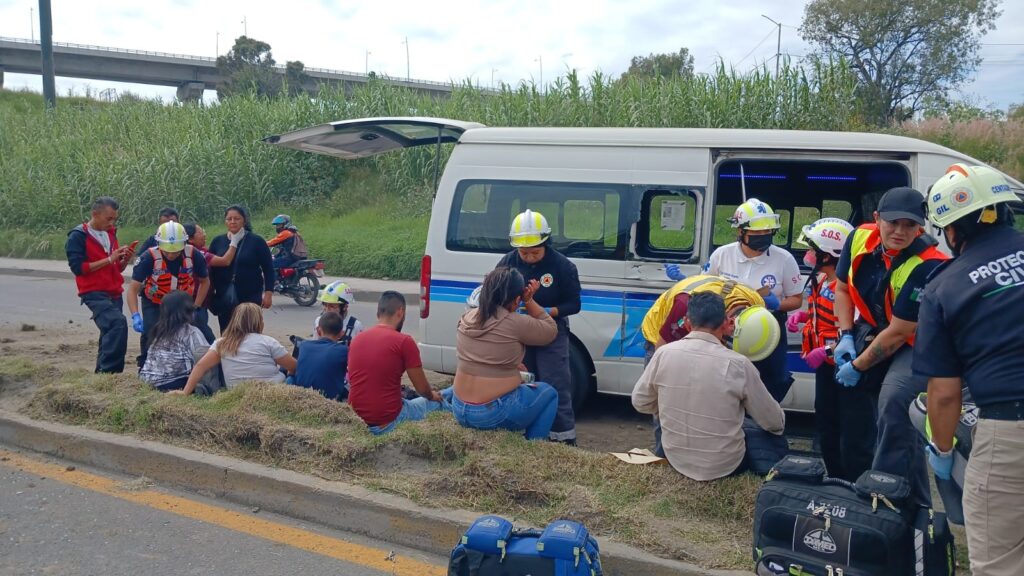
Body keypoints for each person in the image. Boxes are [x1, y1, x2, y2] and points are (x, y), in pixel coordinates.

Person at [914, 164, 1024, 576]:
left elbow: (943, 393)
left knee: (1000, 563)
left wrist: (943, 453)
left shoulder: (945, 286)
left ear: (952, 230)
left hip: (1011, 430)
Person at [833, 186, 948, 507]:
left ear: (921, 227)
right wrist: (845, 334)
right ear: (876, 218)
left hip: (919, 340)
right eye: (893, 222)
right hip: (875, 327)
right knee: (889, 424)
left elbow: (900, 332)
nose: (900, 231)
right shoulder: (858, 238)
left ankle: (882, 497)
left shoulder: (929, 264)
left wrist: (858, 365)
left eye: (909, 225)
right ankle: (918, 505)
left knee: (895, 402)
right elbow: (842, 289)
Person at [632, 292, 787, 481]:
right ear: (726, 323)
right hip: (726, 466)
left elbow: (640, 402)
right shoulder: (740, 364)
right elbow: (774, 423)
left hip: (675, 458)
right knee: (758, 429)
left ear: (687, 323)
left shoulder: (663, 354)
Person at [788, 218, 875, 482]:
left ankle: (853, 481)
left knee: (852, 432)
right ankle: (835, 478)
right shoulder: (823, 280)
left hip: (847, 370)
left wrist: (825, 351)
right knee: (826, 425)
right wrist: (805, 317)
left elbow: (855, 333)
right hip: (827, 371)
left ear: (830, 254)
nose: (808, 255)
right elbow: (825, 316)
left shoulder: (851, 287)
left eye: (813, 249)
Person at [692, 198, 804, 402]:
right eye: (757, 233)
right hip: (726, 327)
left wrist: (777, 304)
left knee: (769, 383)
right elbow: (704, 287)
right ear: (741, 232)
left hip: (767, 327)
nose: (763, 237)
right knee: (726, 380)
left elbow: (796, 299)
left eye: (767, 232)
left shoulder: (784, 259)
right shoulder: (722, 255)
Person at [496, 209, 582, 445]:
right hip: (519, 332)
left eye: (535, 252)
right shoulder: (507, 263)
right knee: (523, 382)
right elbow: (496, 295)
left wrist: (545, 312)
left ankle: (563, 439)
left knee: (555, 384)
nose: (529, 257)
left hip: (551, 332)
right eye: (524, 253)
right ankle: (530, 436)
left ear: (547, 243)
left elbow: (574, 304)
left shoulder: (563, 266)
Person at [448, 267, 560, 440]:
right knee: (549, 393)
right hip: (491, 413)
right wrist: (529, 301)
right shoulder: (514, 322)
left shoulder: (467, 317)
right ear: (517, 300)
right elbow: (550, 330)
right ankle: (533, 448)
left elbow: (488, 351)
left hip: (458, 407)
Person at [347, 291, 446, 434]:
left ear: (378, 313)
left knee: (446, 393)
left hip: (358, 420)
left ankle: (452, 392)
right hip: (389, 421)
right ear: (400, 312)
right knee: (439, 403)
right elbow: (422, 390)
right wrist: (432, 396)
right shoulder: (404, 342)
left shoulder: (357, 340)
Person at [126, 221, 209, 369]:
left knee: (200, 331)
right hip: (155, 301)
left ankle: (199, 366)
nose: (171, 254)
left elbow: (205, 282)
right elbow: (132, 289)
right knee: (151, 333)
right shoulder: (148, 258)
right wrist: (135, 315)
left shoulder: (194, 254)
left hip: (182, 303)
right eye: (167, 251)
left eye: (176, 251)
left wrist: (196, 306)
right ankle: (146, 366)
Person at [64, 197, 134, 373]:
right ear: (95, 214)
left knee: (108, 333)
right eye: (108, 218)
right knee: (117, 324)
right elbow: (78, 268)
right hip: (93, 291)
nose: (112, 222)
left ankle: (102, 374)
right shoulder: (78, 236)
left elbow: (116, 268)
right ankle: (111, 373)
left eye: (115, 219)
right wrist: (109, 259)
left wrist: (124, 259)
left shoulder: (110, 233)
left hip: (114, 291)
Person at [176, 303, 296, 394]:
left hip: (237, 392)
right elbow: (295, 366)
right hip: (272, 390)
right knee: (289, 374)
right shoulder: (268, 341)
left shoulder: (222, 343)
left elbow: (200, 366)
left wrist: (185, 392)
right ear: (259, 322)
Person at [207, 205, 275, 332]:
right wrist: (210, 295)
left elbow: (268, 268)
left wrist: (268, 293)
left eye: (236, 218)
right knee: (227, 333)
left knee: (250, 331)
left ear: (244, 220)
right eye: (229, 219)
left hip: (250, 296)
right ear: (225, 221)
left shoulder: (256, 241)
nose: (232, 222)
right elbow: (211, 269)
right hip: (225, 296)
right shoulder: (217, 241)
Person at [139, 290, 209, 392]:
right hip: (172, 384)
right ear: (188, 310)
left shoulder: (158, 332)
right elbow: (205, 359)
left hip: (147, 382)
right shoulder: (190, 332)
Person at [183, 222, 239, 343]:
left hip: (202, 302)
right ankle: (215, 358)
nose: (204, 234)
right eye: (200, 232)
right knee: (206, 336)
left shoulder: (201, 250)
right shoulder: (197, 253)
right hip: (195, 303)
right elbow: (225, 261)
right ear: (190, 238)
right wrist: (234, 241)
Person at [293, 311, 350, 401]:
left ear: (319, 331)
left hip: (302, 397)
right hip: (329, 400)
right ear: (341, 334)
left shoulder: (304, 345)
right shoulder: (343, 351)